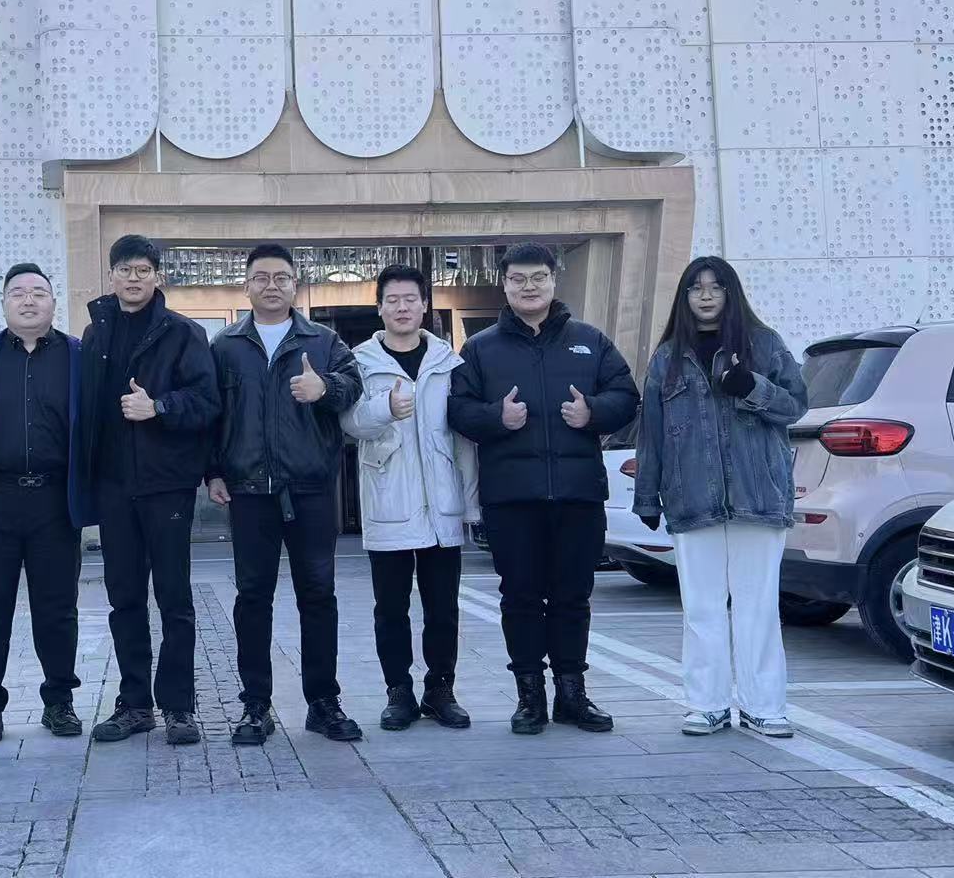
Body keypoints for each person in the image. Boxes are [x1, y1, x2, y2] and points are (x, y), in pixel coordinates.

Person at [447, 242, 639, 736]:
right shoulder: (481, 348)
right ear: (504, 285)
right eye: (518, 279)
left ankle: (572, 695)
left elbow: (626, 396)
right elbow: (458, 410)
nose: (528, 287)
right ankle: (529, 697)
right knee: (521, 598)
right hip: (512, 498)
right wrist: (497, 417)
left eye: (537, 277)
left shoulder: (589, 341)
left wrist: (593, 411)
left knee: (574, 596)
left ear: (554, 280)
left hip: (578, 494)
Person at [633, 257, 808, 739]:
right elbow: (652, 432)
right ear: (684, 297)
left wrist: (751, 386)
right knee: (702, 607)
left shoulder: (764, 344)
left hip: (759, 495)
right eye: (696, 288)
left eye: (716, 287)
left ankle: (764, 705)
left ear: (732, 293)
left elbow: (796, 405)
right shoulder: (667, 357)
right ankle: (706, 704)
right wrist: (647, 497)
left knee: (758, 606)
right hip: (691, 498)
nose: (706, 296)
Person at [209, 244, 363, 744]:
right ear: (246, 285)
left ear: (296, 284)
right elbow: (213, 416)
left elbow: (352, 386)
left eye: (281, 277)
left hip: (310, 489)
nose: (271, 285)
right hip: (249, 491)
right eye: (261, 277)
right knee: (252, 597)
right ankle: (256, 705)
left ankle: (323, 701)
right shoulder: (225, 345)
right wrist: (213, 472)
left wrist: (326, 390)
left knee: (317, 595)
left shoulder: (323, 340)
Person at [80, 235, 220, 745]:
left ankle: (179, 707)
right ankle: (135, 704)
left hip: (166, 486)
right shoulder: (96, 332)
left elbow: (207, 403)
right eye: (125, 269)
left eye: (143, 270)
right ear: (111, 275)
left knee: (174, 599)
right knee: (124, 599)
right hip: (113, 486)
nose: (133, 278)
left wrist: (158, 407)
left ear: (158, 276)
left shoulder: (184, 333)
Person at [341, 264, 478, 732]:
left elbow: (463, 441)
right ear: (379, 308)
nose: (402, 308)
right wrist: (385, 408)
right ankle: (398, 692)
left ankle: (441, 690)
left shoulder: (449, 362)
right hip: (389, 503)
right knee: (391, 610)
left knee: (443, 609)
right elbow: (349, 423)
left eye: (410, 300)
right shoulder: (359, 362)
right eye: (393, 300)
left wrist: (470, 505)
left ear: (424, 306)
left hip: (442, 506)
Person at [0, 263, 92, 744]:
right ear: (3, 302)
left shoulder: (80, 356)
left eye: (39, 291)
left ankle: (59, 701)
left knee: (57, 608)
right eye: (17, 292)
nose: (28, 299)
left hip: (55, 500)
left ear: (54, 302)